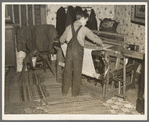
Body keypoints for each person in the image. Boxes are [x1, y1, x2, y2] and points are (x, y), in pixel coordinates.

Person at [60, 10, 104, 97]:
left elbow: (61, 40)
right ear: (82, 19)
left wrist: (65, 42)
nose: (86, 23)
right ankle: (75, 93)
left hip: (69, 52)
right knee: (77, 72)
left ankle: (64, 92)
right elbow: (94, 37)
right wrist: (101, 43)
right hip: (78, 53)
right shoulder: (84, 29)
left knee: (67, 71)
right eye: (86, 21)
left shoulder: (68, 27)